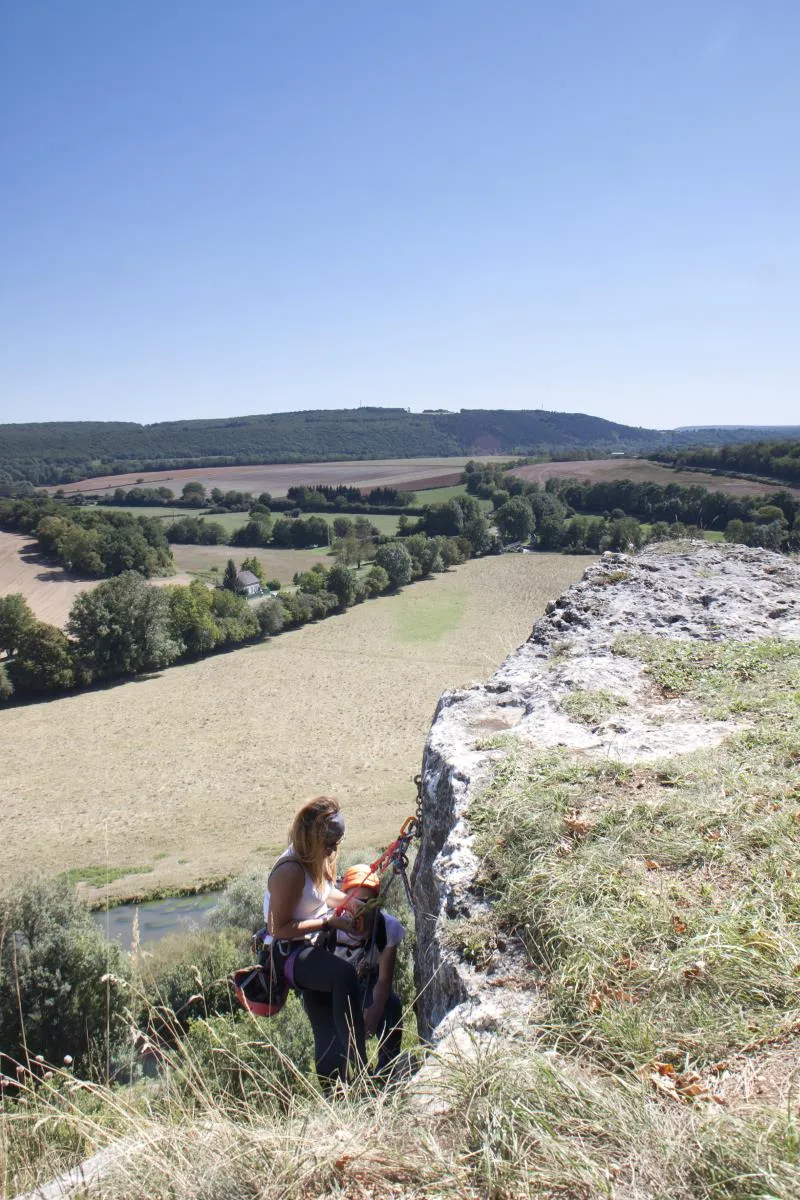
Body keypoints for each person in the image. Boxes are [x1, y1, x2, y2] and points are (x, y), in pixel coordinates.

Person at [264, 795, 366, 1084]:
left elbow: (322, 895)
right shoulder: (291, 871)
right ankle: (362, 1066)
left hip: (310, 946)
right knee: (343, 977)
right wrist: (328, 920)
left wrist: (349, 901)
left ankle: (336, 1089)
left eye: (337, 842)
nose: (334, 848)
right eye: (330, 842)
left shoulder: (313, 860)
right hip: (286, 951)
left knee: (325, 1025)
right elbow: (277, 928)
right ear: (312, 836)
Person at [333, 864, 405, 1076]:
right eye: (353, 902)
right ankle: (348, 1081)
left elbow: (384, 980)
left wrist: (376, 1008)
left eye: (366, 903)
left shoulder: (387, 928)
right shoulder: (332, 927)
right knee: (336, 1036)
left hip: (366, 981)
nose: (360, 910)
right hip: (333, 988)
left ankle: (386, 1073)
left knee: (391, 1007)